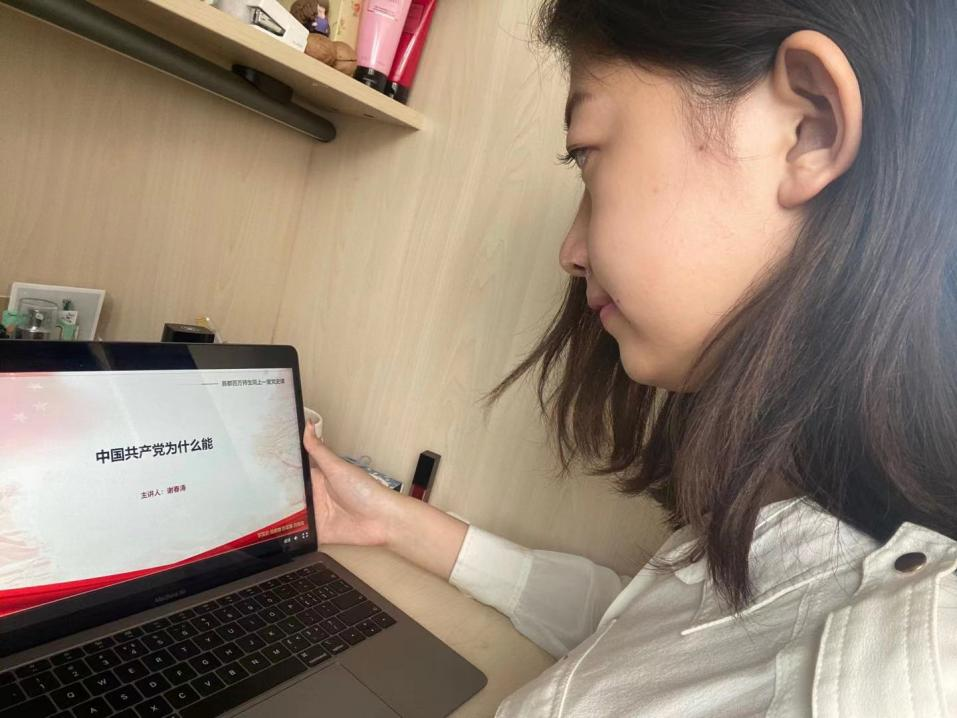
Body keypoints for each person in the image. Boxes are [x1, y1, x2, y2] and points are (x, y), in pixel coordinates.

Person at [301, 0, 957, 715]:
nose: (569, 252)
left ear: (807, 127)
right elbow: (646, 645)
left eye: (586, 153)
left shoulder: (903, 683)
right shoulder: (807, 522)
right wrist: (393, 523)